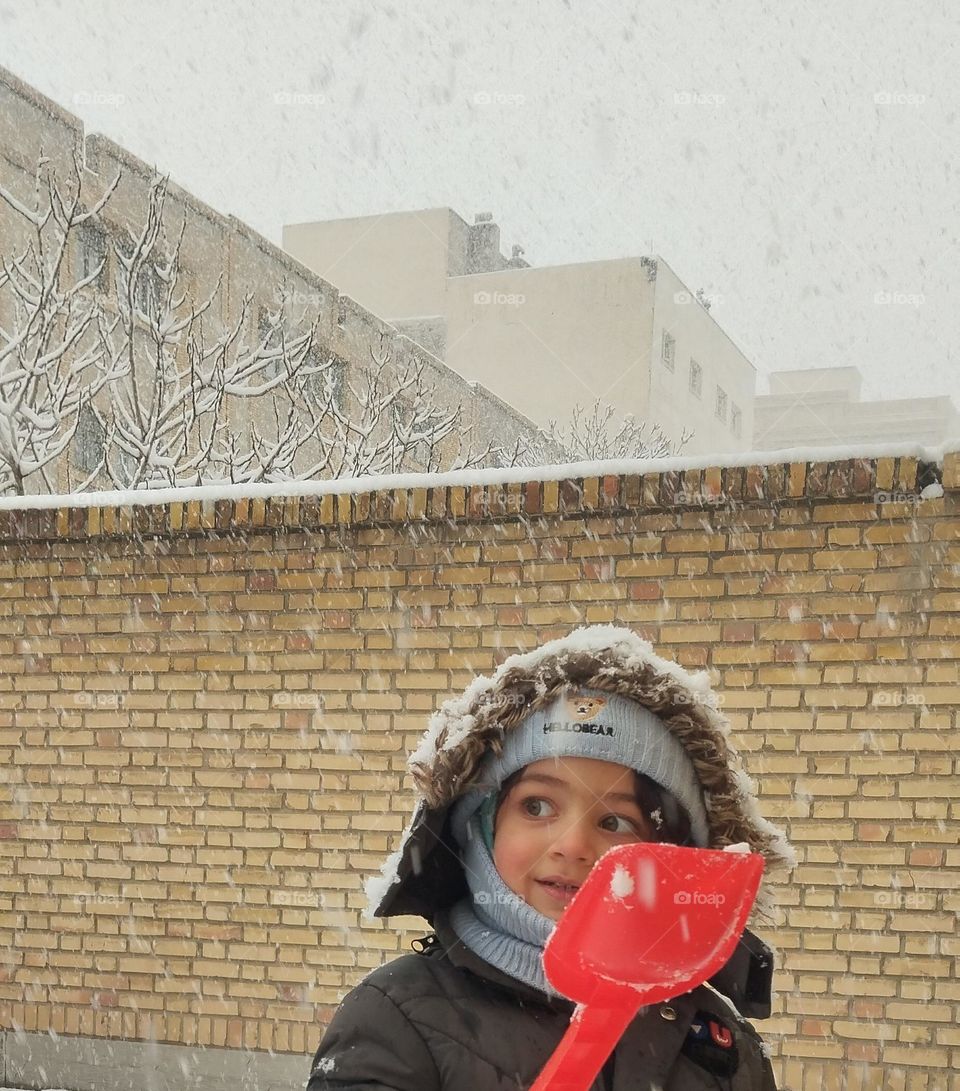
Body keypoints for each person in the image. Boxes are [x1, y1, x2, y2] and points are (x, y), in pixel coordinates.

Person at [306, 624, 795, 1090]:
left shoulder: (715, 1038)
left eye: (615, 822)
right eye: (536, 806)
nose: (573, 845)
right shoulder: (398, 1019)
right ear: (480, 827)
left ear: (670, 855)